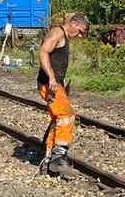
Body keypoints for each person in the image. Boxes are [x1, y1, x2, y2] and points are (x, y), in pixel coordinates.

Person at [37, 13, 89, 175]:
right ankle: (58, 158)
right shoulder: (57, 33)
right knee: (67, 115)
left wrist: (60, 81)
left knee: (58, 119)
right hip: (49, 84)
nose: (79, 36)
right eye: (80, 31)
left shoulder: (63, 36)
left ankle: (47, 160)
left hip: (55, 84)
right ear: (73, 23)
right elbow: (43, 52)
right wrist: (52, 78)